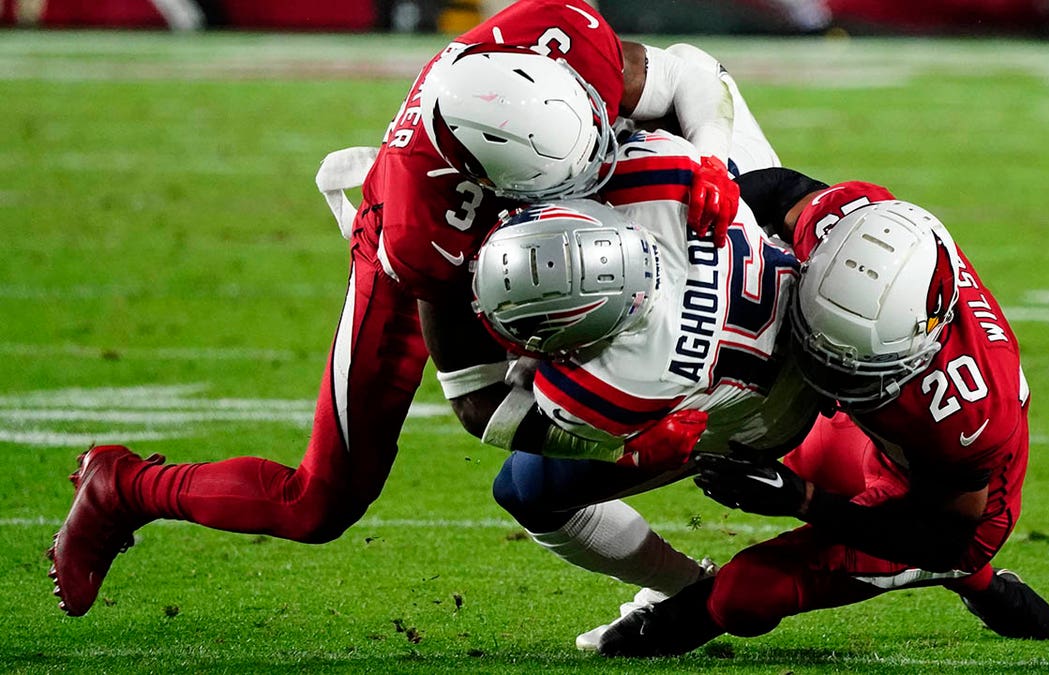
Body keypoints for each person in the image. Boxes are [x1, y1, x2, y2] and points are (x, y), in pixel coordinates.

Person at [47, 0, 749, 617]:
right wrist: (618, 440)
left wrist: (713, 160)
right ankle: (126, 486)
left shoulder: (563, 32)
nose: (598, 177)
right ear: (490, 178)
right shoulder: (423, 230)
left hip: (528, 220)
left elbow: (693, 75)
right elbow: (479, 401)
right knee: (318, 502)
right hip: (458, 262)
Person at [595, 174, 1049, 657]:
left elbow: (943, 536)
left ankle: (974, 574)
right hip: (874, 435)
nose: (827, 374)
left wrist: (804, 501)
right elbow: (778, 194)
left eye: (850, 367)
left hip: (941, 507)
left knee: (743, 595)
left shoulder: (964, 411)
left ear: (922, 342)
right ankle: (978, 582)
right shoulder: (852, 232)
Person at [466, 130, 820, 650]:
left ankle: (684, 587)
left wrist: (626, 450)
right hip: (799, 302)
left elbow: (498, 411)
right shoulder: (661, 175)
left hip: (767, 419)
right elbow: (691, 75)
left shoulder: (615, 384)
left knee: (525, 490)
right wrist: (716, 164)